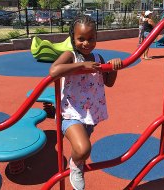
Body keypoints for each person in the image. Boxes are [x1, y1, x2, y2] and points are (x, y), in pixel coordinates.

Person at [49, 15, 122, 190]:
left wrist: (113, 67)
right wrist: (82, 66)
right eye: (81, 39)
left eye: (91, 38)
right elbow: (53, 71)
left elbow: (109, 82)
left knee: (82, 148)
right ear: (73, 38)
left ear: (96, 38)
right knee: (83, 150)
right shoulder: (70, 55)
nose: (86, 43)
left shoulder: (98, 58)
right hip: (70, 114)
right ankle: (75, 165)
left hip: (90, 115)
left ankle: (78, 161)